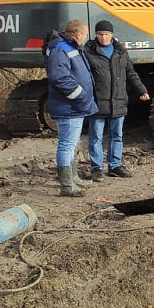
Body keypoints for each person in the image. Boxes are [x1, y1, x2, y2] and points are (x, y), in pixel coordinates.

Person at [83, 20, 150, 180]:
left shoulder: (120, 51)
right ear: (96, 35)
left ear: (112, 35)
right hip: (98, 102)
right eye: (100, 34)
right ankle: (96, 168)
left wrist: (141, 90)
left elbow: (130, 73)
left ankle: (115, 165)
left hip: (118, 100)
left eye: (106, 34)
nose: (103, 37)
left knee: (117, 135)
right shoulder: (88, 51)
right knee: (96, 137)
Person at [43, 20, 99, 197]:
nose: (85, 38)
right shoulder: (61, 49)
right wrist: (80, 94)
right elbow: (59, 78)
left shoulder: (68, 47)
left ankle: (73, 178)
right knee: (66, 145)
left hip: (74, 106)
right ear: (78, 34)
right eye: (85, 34)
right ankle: (67, 185)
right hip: (69, 106)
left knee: (72, 143)